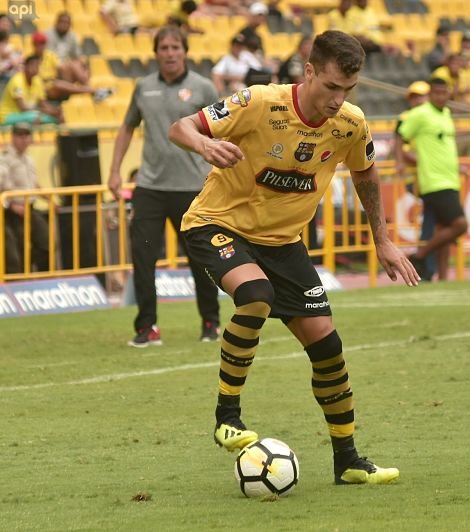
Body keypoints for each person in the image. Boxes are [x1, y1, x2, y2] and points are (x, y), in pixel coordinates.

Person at [167, 30, 418, 484]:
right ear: (308, 72)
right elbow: (179, 126)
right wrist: (204, 145)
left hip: (283, 243)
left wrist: (382, 239)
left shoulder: (351, 123)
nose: (338, 100)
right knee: (256, 294)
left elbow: (366, 175)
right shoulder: (260, 101)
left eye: (348, 90)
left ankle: (348, 461)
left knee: (328, 346)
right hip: (217, 224)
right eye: (331, 87)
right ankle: (228, 417)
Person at [107, 26, 220, 348]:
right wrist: (115, 171)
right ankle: (147, 329)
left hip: (193, 190)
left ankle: (210, 323)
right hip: (150, 189)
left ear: (185, 51)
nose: (170, 53)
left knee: (202, 260)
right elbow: (127, 128)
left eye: (175, 47)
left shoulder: (203, 88)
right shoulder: (143, 88)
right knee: (143, 259)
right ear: (156, 53)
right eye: (164, 48)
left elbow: (222, 130)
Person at [398, 78, 468, 282]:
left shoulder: (446, 114)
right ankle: (418, 257)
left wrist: (457, 166)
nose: (440, 96)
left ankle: (443, 278)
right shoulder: (418, 114)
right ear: (430, 94)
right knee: (460, 225)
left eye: (443, 92)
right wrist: (401, 161)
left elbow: (444, 148)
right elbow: (399, 135)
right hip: (433, 181)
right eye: (435, 93)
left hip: (450, 178)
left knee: (442, 230)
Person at [394, 80, 437, 280]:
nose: (419, 100)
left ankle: (426, 265)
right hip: (419, 177)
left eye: (422, 95)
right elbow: (403, 147)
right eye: (415, 96)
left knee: (433, 223)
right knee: (432, 223)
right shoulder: (407, 117)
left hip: (430, 176)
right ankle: (424, 263)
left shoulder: (432, 115)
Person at [0, 122, 49, 274]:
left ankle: (33, 275)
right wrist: (13, 206)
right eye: (19, 135)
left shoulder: (28, 159)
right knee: (15, 254)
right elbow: (2, 187)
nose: (23, 139)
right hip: (11, 211)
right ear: (13, 137)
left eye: (26, 135)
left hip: (29, 207)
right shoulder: (5, 158)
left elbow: (33, 184)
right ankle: (19, 282)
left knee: (46, 243)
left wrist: (49, 200)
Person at [0, 55, 62, 126]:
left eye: (37, 66)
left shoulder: (37, 81)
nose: (35, 68)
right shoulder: (17, 80)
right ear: (26, 66)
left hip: (29, 115)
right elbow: (23, 108)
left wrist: (54, 111)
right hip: (8, 116)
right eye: (33, 65)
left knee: (55, 118)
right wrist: (43, 111)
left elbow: (43, 103)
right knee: (35, 117)